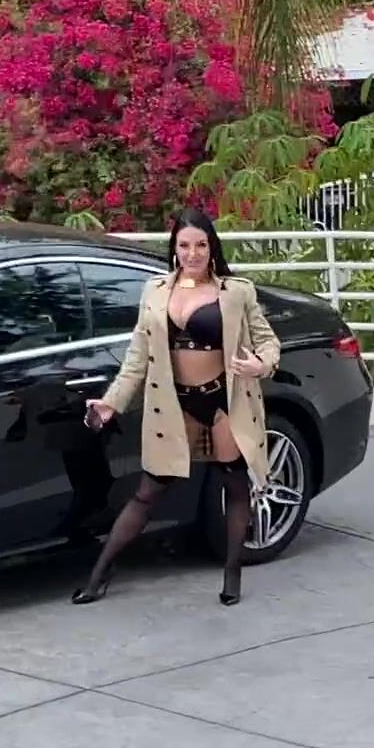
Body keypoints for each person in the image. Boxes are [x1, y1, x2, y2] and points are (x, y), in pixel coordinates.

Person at [73, 207, 281, 606]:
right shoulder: (155, 291)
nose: (193, 253)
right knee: (148, 492)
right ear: (174, 248)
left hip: (223, 401)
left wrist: (261, 364)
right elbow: (137, 357)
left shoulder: (236, 292)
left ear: (212, 247)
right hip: (175, 404)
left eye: (201, 245)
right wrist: (112, 403)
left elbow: (268, 341)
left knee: (236, 486)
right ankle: (99, 575)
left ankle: (232, 571)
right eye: (185, 245)